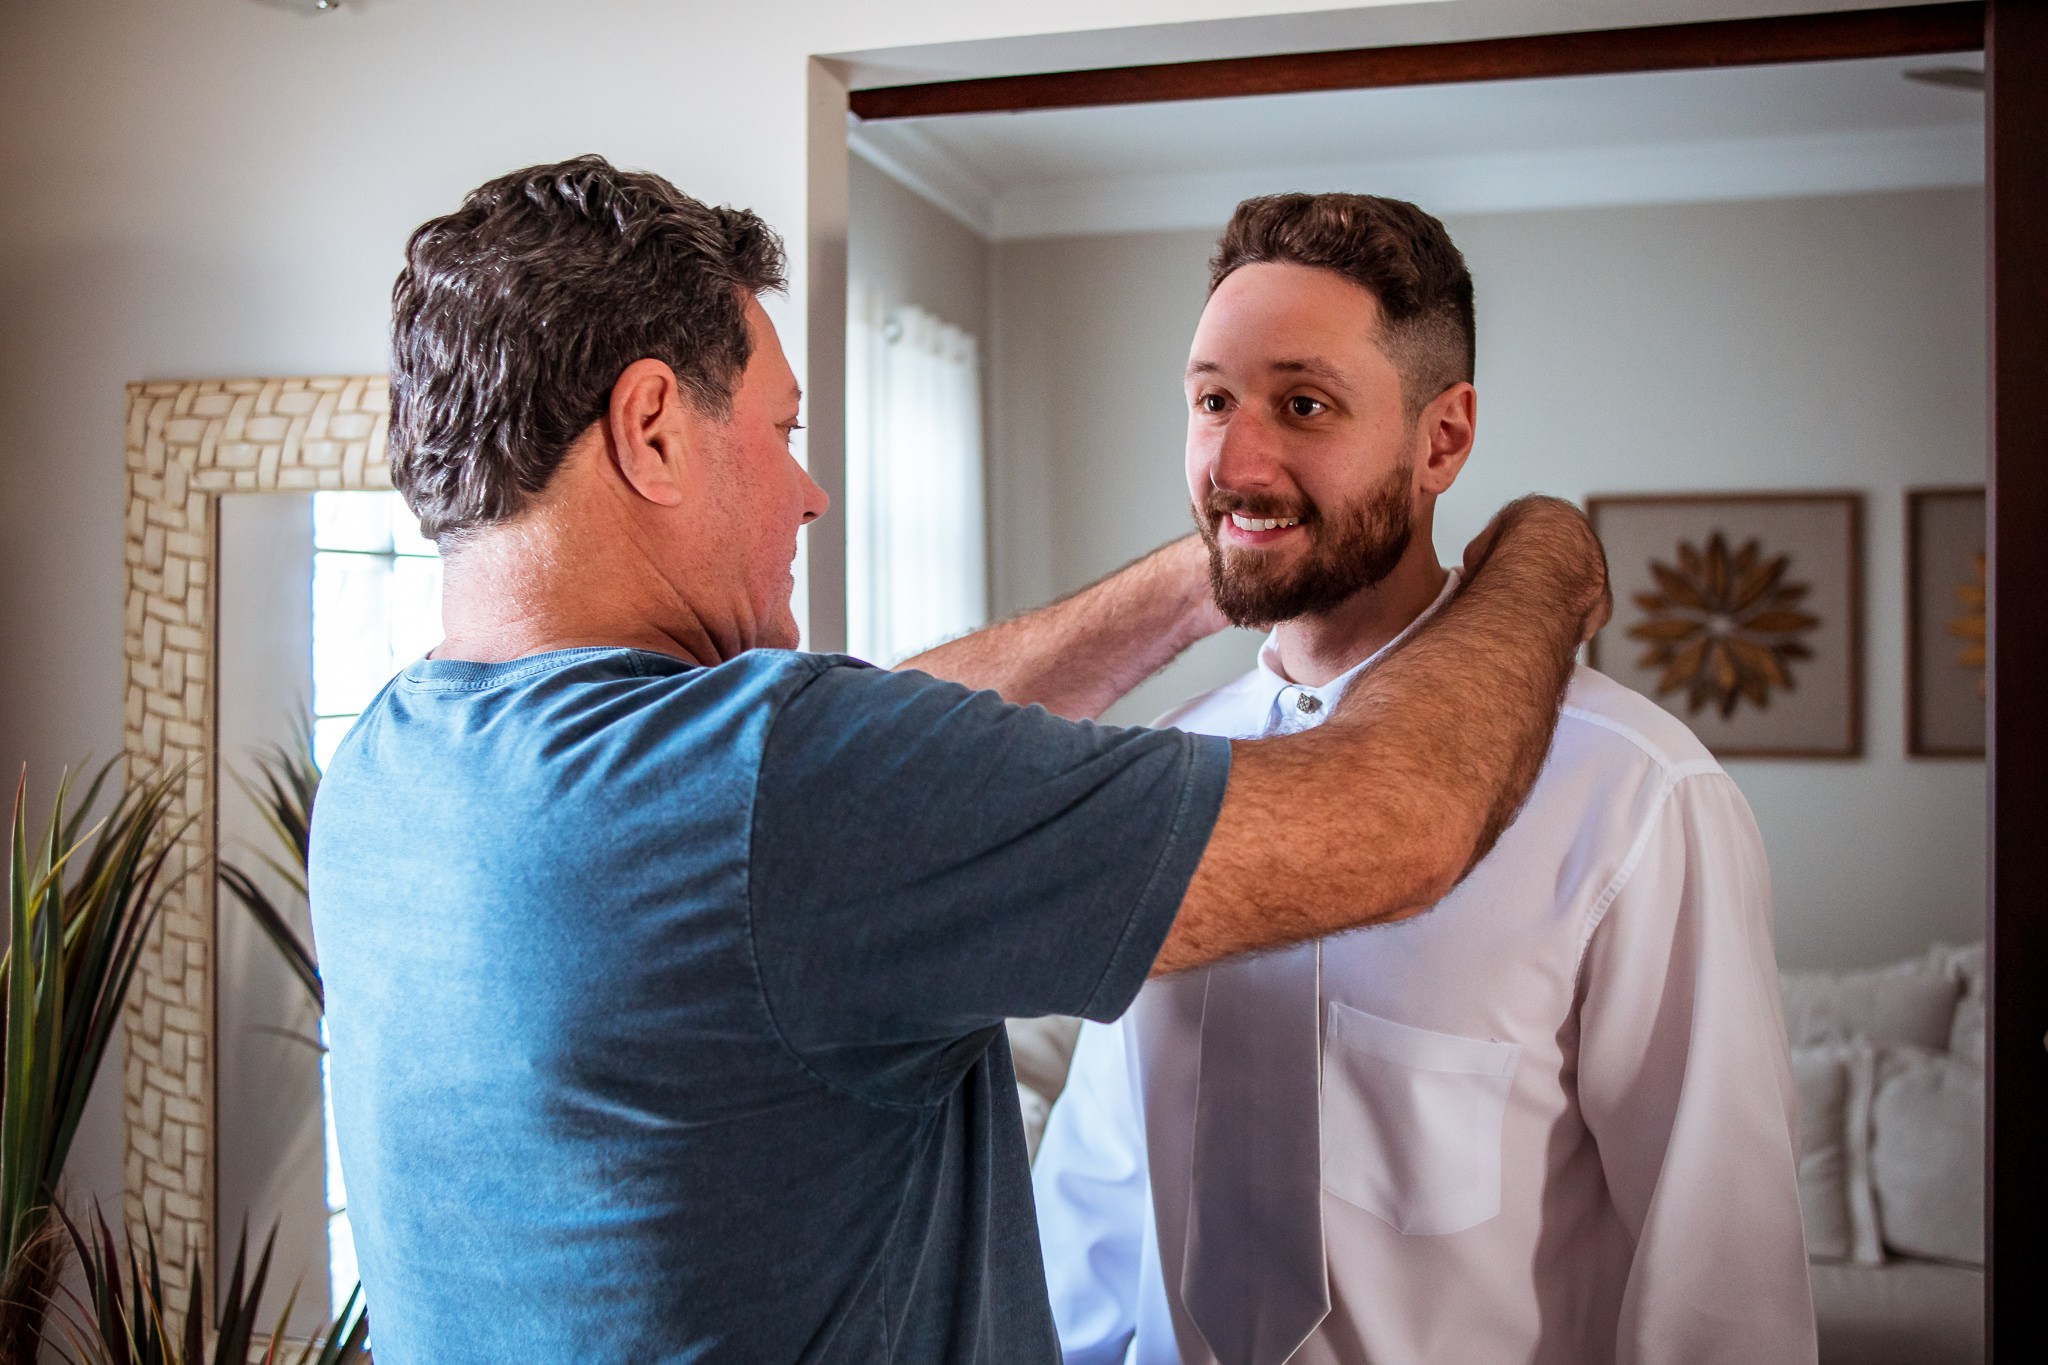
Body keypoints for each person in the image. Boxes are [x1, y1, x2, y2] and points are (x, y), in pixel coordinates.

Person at [307, 157, 1609, 1364]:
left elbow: (848, 759)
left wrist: (1235, 562)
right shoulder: (787, 789)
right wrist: (1544, 551)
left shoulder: (386, 772)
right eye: (782, 430)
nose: (808, 493)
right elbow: (1399, 818)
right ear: (651, 426)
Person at [1031, 192, 1814, 1365]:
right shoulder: (1161, 772)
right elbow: (1094, 1207)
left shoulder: (1634, 796)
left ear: (1441, 439)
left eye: (1304, 405)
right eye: (1210, 401)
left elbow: (1719, 1279)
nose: (1235, 461)